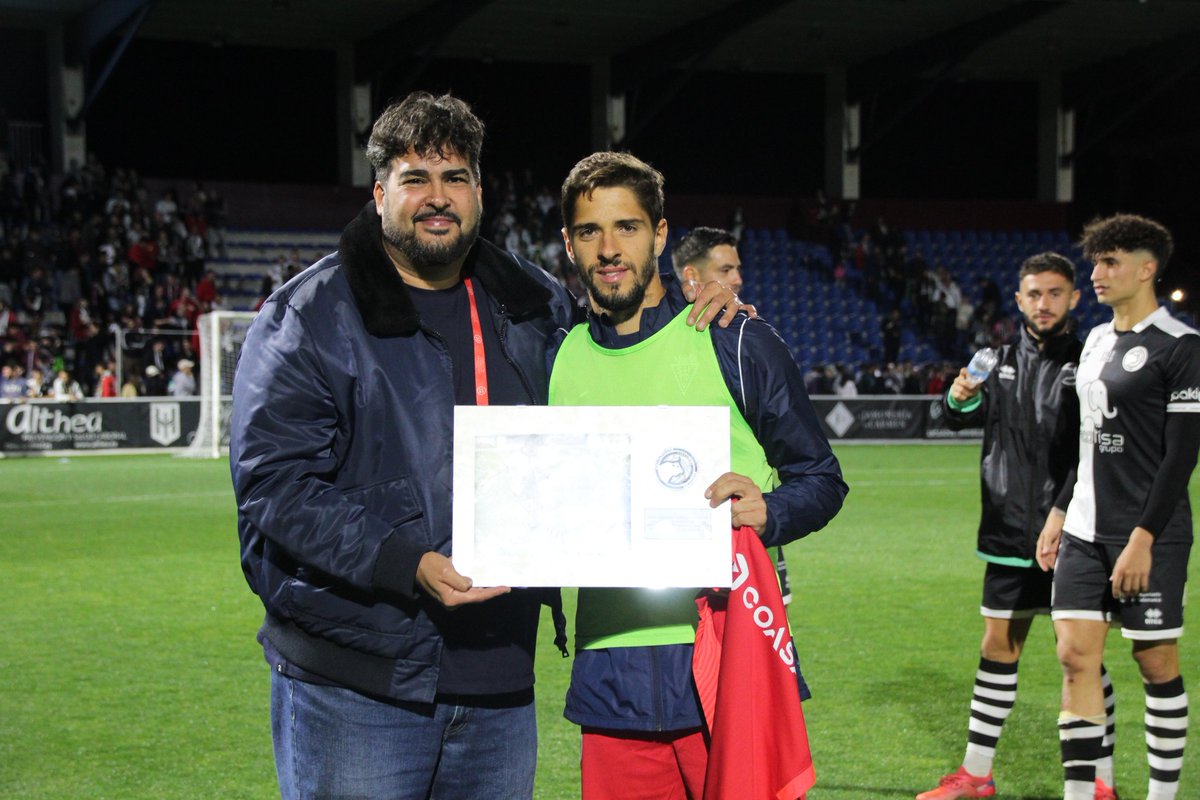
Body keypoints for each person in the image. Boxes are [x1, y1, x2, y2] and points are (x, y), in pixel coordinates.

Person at [229, 92, 743, 800]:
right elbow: (274, 489)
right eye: (416, 179)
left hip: (501, 678)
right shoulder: (306, 316)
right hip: (357, 682)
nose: (437, 198)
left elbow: (616, 368)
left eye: (457, 178)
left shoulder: (533, 305)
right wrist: (406, 562)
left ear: (479, 192)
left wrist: (702, 317)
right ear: (380, 192)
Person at [549, 151, 847, 799]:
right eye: (589, 231)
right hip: (610, 680)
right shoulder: (557, 357)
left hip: (730, 660)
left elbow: (822, 479)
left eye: (627, 227)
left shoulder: (732, 339)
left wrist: (770, 511)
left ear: (659, 235)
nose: (608, 249)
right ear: (568, 245)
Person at [918, 252, 1119, 799]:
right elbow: (955, 416)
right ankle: (977, 775)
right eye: (1034, 294)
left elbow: (1097, 448)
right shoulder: (996, 359)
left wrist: (1063, 510)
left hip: (1077, 530)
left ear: (1074, 298)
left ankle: (1102, 783)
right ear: (1019, 299)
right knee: (997, 646)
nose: (1044, 303)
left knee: (1081, 655)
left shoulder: (1092, 360)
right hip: (1008, 531)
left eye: (1055, 293)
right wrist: (958, 396)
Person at [1037, 214, 1200, 800]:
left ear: (1146, 268)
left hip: (1148, 536)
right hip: (1083, 530)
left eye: (1111, 261)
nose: (1097, 273)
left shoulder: (1181, 348)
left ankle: (1162, 795)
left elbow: (1181, 457)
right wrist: (1059, 512)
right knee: (1075, 657)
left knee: (1155, 664)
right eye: (1097, 261)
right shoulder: (1098, 340)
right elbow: (1086, 442)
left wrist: (1143, 538)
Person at [672, 225, 796, 605]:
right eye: (726, 270)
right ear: (691, 275)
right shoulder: (666, 342)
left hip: (750, 527)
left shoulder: (746, 337)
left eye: (737, 268)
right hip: (688, 531)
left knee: (771, 652)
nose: (738, 278)